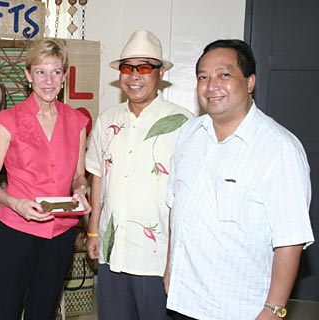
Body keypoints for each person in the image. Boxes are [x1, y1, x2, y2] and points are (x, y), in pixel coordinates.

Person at [164, 39, 314, 320]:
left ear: (249, 82)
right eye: (203, 77)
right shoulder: (189, 135)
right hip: (184, 301)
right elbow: (176, 207)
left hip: (239, 308)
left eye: (224, 74)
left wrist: (273, 311)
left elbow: (290, 241)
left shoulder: (279, 149)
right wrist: (170, 269)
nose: (211, 86)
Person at [0, 38, 91, 320]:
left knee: (42, 311)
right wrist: (15, 203)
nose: (48, 80)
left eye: (56, 72)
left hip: (60, 234)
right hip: (15, 231)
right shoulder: (9, 120)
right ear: (28, 75)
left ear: (64, 76)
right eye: (40, 71)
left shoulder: (77, 122)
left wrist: (81, 191)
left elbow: (79, 175)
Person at [85, 30, 193, 320]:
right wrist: (93, 230)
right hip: (113, 250)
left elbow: (189, 194)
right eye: (127, 68)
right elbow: (97, 175)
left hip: (158, 257)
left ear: (159, 74)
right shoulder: (107, 120)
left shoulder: (183, 123)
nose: (134, 76)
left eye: (144, 67)